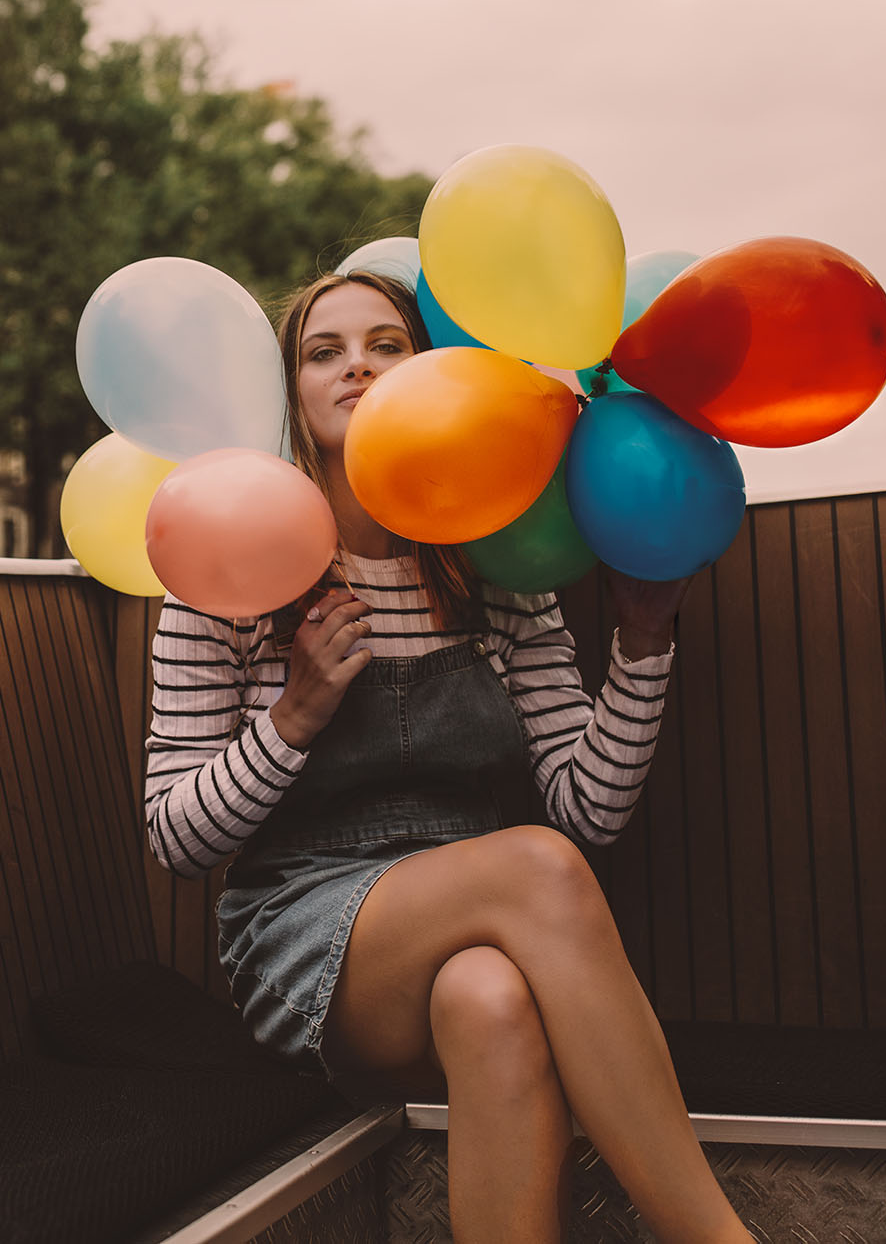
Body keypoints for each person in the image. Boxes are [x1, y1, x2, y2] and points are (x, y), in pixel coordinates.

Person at [143, 269, 752, 1243]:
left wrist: (642, 644)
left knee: (491, 997)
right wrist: (294, 715)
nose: (356, 367)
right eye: (323, 351)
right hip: (307, 928)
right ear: (288, 391)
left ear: (432, 374)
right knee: (537, 864)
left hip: (489, 917)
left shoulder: (496, 566)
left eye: (386, 345)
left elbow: (588, 809)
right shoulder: (225, 562)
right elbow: (175, 836)